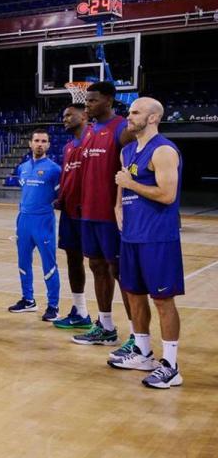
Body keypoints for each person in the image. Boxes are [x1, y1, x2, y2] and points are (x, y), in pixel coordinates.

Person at [109, 97, 185, 389]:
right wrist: (118, 205)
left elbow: (167, 195)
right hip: (131, 236)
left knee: (163, 300)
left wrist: (130, 186)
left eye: (135, 112)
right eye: (130, 112)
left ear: (153, 118)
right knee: (133, 293)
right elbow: (121, 180)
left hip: (157, 237)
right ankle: (142, 352)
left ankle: (171, 365)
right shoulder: (127, 150)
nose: (129, 116)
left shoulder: (164, 150)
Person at [71, 81, 136, 356]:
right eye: (87, 100)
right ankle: (106, 326)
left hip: (112, 216)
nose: (88, 104)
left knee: (121, 273)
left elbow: (133, 169)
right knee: (97, 266)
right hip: (89, 214)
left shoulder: (122, 129)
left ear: (109, 101)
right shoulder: (89, 131)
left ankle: (137, 335)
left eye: (93, 100)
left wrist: (125, 207)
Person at [8, 128, 62, 321]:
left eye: (44, 141)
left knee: (49, 265)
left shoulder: (55, 170)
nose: (40, 144)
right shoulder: (22, 168)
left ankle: (53, 305)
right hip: (23, 220)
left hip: (43, 221)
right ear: (30, 143)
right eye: (36, 140)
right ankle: (28, 300)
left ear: (48, 145)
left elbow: (59, 197)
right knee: (23, 262)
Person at [52, 104, 94, 330]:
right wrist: (61, 198)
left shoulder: (95, 141)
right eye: (63, 115)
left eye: (69, 115)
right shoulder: (68, 147)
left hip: (91, 212)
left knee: (102, 264)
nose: (65, 119)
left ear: (85, 115)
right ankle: (81, 311)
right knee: (73, 260)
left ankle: (108, 322)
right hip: (70, 213)